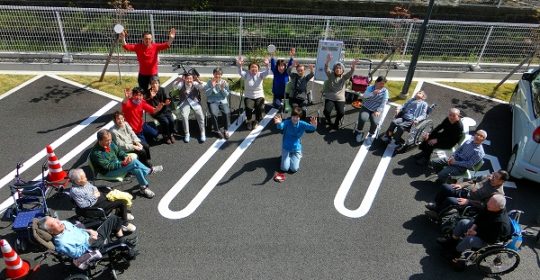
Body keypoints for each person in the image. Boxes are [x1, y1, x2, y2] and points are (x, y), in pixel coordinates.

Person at [437, 194, 512, 267]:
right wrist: (472, 228)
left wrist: (476, 233)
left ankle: (456, 253)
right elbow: (480, 217)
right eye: (489, 201)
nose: (488, 204)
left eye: (490, 204)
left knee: (469, 240)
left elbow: (492, 239)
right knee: (463, 222)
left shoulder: (501, 223)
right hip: (482, 229)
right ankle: (452, 241)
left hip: (488, 239)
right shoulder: (490, 206)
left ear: (499, 207)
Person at [89, 129, 162, 199]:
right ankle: (149, 171)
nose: (110, 142)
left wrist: (125, 157)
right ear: (100, 140)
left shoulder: (110, 143)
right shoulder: (96, 154)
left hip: (117, 164)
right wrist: (123, 163)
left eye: (110, 139)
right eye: (107, 140)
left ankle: (143, 188)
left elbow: (119, 151)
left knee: (136, 169)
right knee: (133, 162)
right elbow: (107, 166)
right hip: (108, 172)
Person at [69, 168, 136, 233]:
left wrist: (95, 190)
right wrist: (94, 196)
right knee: (122, 202)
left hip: (99, 197)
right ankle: (124, 224)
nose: (86, 179)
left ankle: (122, 214)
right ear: (77, 181)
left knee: (118, 196)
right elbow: (83, 205)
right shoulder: (75, 191)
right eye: (84, 178)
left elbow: (93, 187)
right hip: (94, 205)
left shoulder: (84, 183)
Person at [37, 215, 125, 259]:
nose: (59, 221)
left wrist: (89, 231)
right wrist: (90, 241)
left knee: (113, 218)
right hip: (90, 248)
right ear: (51, 231)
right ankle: (122, 243)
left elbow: (78, 230)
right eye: (54, 223)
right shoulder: (62, 243)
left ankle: (121, 239)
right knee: (114, 219)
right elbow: (77, 255)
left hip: (90, 236)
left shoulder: (64, 223)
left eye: (56, 219)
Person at [425, 170, 508, 215]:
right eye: (494, 174)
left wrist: (468, 201)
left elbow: (484, 205)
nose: (492, 177)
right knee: (445, 187)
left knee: (450, 200)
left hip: (471, 202)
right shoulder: (488, 177)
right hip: (465, 192)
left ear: (501, 181)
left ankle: (437, 213)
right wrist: (461, 185)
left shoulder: (498, 194)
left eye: (496, 177)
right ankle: (437, 204)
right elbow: (473, 181)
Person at [272, 107, 317, 182]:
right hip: (286, 147)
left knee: (294, 169)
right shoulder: (287, 122)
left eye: (297, 117)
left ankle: (297, 155)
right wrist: (279, 123)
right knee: (284, 169)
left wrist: (314, 125)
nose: (294, 118)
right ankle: (286, 157)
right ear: (291, 116)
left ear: (299, 118)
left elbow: (311, 128)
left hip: (296, 149)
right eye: (293, 116)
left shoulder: (302, 124)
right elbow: (281, 126)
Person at [322, 53, 359, 131]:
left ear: (342, 70)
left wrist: (353, 66)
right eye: (337, 68)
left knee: (341, 113)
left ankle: (336, 123)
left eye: (340, 68)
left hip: (340, 99)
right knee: (326, 111)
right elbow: (326, 68)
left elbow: (351, 72)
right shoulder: (331, 75)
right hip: (330, 97)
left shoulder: (344, 77)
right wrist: (327, 61)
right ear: (334, 69)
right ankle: (329, 121)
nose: (338, 69)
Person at [236, 56, 271, 130]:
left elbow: (268, 72)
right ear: (249, 68)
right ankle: (249, 121)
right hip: (249, 96)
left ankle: (256, 121)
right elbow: (240, 71)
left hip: (259, 95)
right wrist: (240, 65)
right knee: (248, 107)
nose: (254, 68)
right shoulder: (246, 74)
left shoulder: (260, 75)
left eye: (255, 67)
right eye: (252, 67)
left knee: (260, 107)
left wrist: (267, 65)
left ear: (258, 69)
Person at [170, 73, 206, 143]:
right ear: (185, 79)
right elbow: (174, 86)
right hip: (184, 102)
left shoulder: (195, 83)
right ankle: (187, 133)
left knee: (200, 115)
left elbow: (203, 87)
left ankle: (202, 132)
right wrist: (180, 79)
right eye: (187, 79)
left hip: (194, 102)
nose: (189, 80)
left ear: (193, 79)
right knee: (184, 116)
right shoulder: (181, 84)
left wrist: (199, 81)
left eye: (190, 79)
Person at [354, 76, 389, 144]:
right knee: (363, 118)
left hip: (376, 110)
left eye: (383, 84)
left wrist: (378, 110)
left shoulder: (385, 91)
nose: (382, 85)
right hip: (366, 107)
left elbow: (384, 102)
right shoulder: (370, 88)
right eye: (380, 83)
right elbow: (365, 96)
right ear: (376, 82)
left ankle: (370, 135)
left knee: (375, 122)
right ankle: (359, 132)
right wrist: (373, 93)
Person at [145, 76, 175, 144]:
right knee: (165, 121)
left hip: (165, 109)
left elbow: (166, 97)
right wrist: (151, 97)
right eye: (152, 83)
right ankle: (165, 136)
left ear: (158, 83)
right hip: (156, 111)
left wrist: (167, 100)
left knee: (171, 120)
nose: (154, 85)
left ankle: (171, 134)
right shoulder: (148, 93)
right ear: (150, 84)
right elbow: (146, 104)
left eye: (156, 83)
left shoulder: (162, 89)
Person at [204, 67, 231, 139]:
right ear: (213, 74)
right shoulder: (209, 82)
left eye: (219, 74)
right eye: (216, 74)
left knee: (226, 112)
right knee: (213, 113)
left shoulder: (224, 82)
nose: (217, 76)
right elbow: (207, 94)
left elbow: (226, 94)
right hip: (212, 101)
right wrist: (212, 87)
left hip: (222, 100)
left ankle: (226, 129)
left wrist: (222, 89)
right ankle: (217, 130)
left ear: (221, 75)